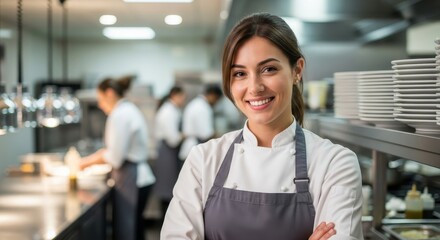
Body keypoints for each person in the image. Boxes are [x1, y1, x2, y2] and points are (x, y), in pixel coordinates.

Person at [161, 13, 363, 240]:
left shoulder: (334, 163)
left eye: (268, 69)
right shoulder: (203, 160)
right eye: (239, 73)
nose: (254, 87)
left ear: (297, 71)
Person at [79, 76, 156, 240]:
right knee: (135, 228)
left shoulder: (120, 114)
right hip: (137, 176)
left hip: (133, 177)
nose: (99, 104)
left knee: (128, 231)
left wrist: (86, 162)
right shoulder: (127, 110)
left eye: (100, 99)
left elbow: (115, 157)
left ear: (110, 93)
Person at [153, 86, 186, 220]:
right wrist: (184, 135)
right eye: (182, 97)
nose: (183, 100)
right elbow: (173, 139)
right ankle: (165, 223)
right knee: (166, 189)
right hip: (167, 152)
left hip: (171, 153)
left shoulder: (172, 110)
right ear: (175, 95)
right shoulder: (168, 112)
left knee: (170, 188)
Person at [178, 84, 223, 161]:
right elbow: (206, 134)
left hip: (191, 148)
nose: (216, 103)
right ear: (212, 95)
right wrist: (223, 138)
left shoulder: (196, 103)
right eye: (216, 99)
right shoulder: (203, 107)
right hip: (195, 149)